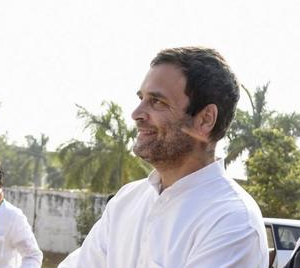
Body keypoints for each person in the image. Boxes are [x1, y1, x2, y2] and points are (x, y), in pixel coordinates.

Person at [59, 47, 269, 267]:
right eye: (141, 98)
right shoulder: (127, 201)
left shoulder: (232, 220)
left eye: (157, 102)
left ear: (205, 119)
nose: (136, 114)